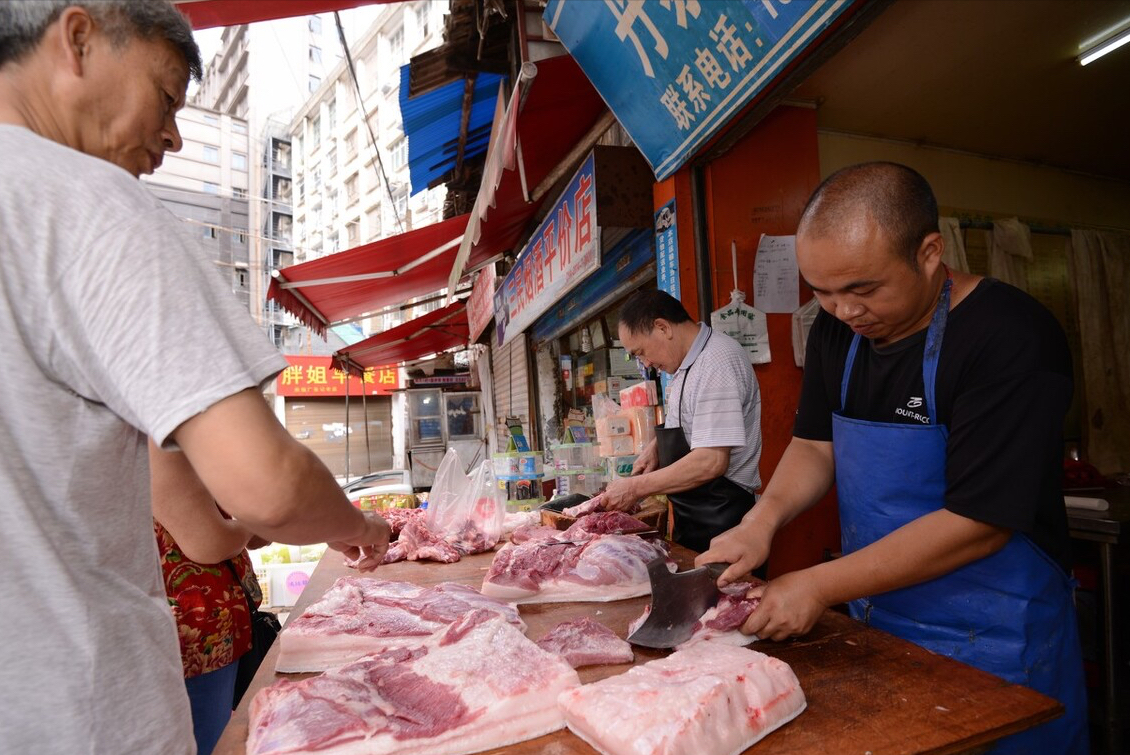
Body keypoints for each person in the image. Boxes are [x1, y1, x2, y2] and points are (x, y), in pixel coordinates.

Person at [0, 3, 389, 753]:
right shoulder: (87, 206)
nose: (173, 134)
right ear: (78, 38)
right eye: (169, 95)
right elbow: (265, 484)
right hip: (81, 719)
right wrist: (361, 528)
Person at [699, 162, 1087, 753]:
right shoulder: (837, 332)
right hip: (880, 616)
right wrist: (761, 522)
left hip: (1001, 636)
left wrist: (816, 586)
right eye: (822, 292)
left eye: (862, 289)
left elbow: (978, 522)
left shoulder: (1009, 336)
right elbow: (813, 445)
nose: (843, 311)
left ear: (930, 252)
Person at [602, 289, 763, 554]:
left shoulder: (716, 362)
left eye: (641, 352)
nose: (646, 364)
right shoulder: (685, 365)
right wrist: (656, 448)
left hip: (725, 522)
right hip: (694, 519)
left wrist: (634, 488)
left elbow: (711, 461)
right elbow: (691, 425)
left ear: (663, 327)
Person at [151, 440, 272, 755]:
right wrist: (246, 526)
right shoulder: (151, 439)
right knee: (205, 742)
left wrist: (249, 522)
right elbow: (209, 541)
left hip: (214, 629)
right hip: (191, 634)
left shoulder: (189, 444)